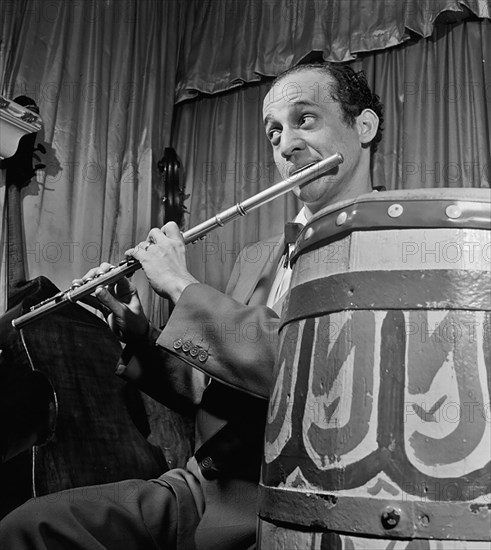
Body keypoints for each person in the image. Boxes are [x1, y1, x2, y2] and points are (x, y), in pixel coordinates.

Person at [0, 62, 383, 549]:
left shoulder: (389, 243)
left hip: (290, 497)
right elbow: (214, 389)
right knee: (31, 526)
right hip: (202, 486)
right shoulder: (257, 258)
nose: (286, 145)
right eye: (273, 133)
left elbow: (319, 375)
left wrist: (183, 288)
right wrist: (137, 330)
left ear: (363, 127)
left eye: (305, 120)